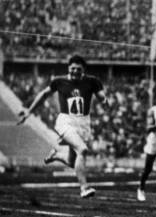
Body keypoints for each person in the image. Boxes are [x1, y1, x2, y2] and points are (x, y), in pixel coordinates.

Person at [17, 55, 107, 198]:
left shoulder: (92, 81)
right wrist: (29, 111)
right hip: (66, 121)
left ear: (83, 70)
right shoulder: (59, 81)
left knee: (72, 162)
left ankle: (57, 155)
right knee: (82, 150)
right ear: (68, 68)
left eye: (78, 69)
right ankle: (84, 187)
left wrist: (104, 100)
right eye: (72, 68)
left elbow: (101, 95)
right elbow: (43, 94)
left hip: (83, 122)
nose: (75, 71)